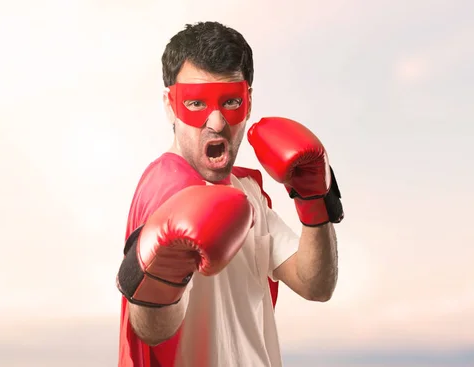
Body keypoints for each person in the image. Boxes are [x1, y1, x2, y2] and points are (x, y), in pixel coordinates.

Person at [116, 21, 344, 367]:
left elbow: (315, 285)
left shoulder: (248, 192)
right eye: (195, 103)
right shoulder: (162, 190)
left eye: (231, 102)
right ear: (169, 105)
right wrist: (163, 272)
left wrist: (315, 201)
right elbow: (151, 331)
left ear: (248, 101)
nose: (217, 122)